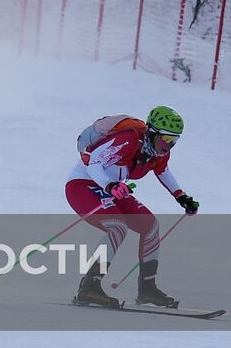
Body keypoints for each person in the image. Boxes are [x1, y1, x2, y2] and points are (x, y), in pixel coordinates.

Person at [65, 106, 200, 309]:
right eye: (166, 139)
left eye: (174, 141)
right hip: (83, 186)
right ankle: (89, 287)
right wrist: (110, 185)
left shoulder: (157, 151)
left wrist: (181, 197)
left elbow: (163, 172)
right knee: (117, 226)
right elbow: (94, 163)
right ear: (153, 133)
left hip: (114, 190)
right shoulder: (128, 139)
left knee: (150, 226)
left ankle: (147, 289)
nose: (169, 145)